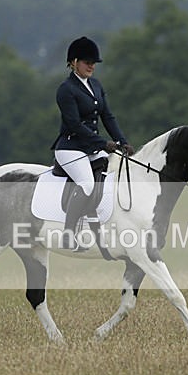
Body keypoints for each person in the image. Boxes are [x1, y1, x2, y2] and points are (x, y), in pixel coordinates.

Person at [53, 36, 133, 250]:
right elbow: (74, 124)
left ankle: (97, 222)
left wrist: (122, 141)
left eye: (94, 63)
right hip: (70, 148)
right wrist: (103, 143)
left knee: (112, 175)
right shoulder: (66, 89)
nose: (92, 66)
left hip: (91, 148)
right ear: (74, 62)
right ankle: (68, 234)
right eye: (87, 62)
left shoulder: (95, 85)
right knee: (87, 184)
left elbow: (108, 116)